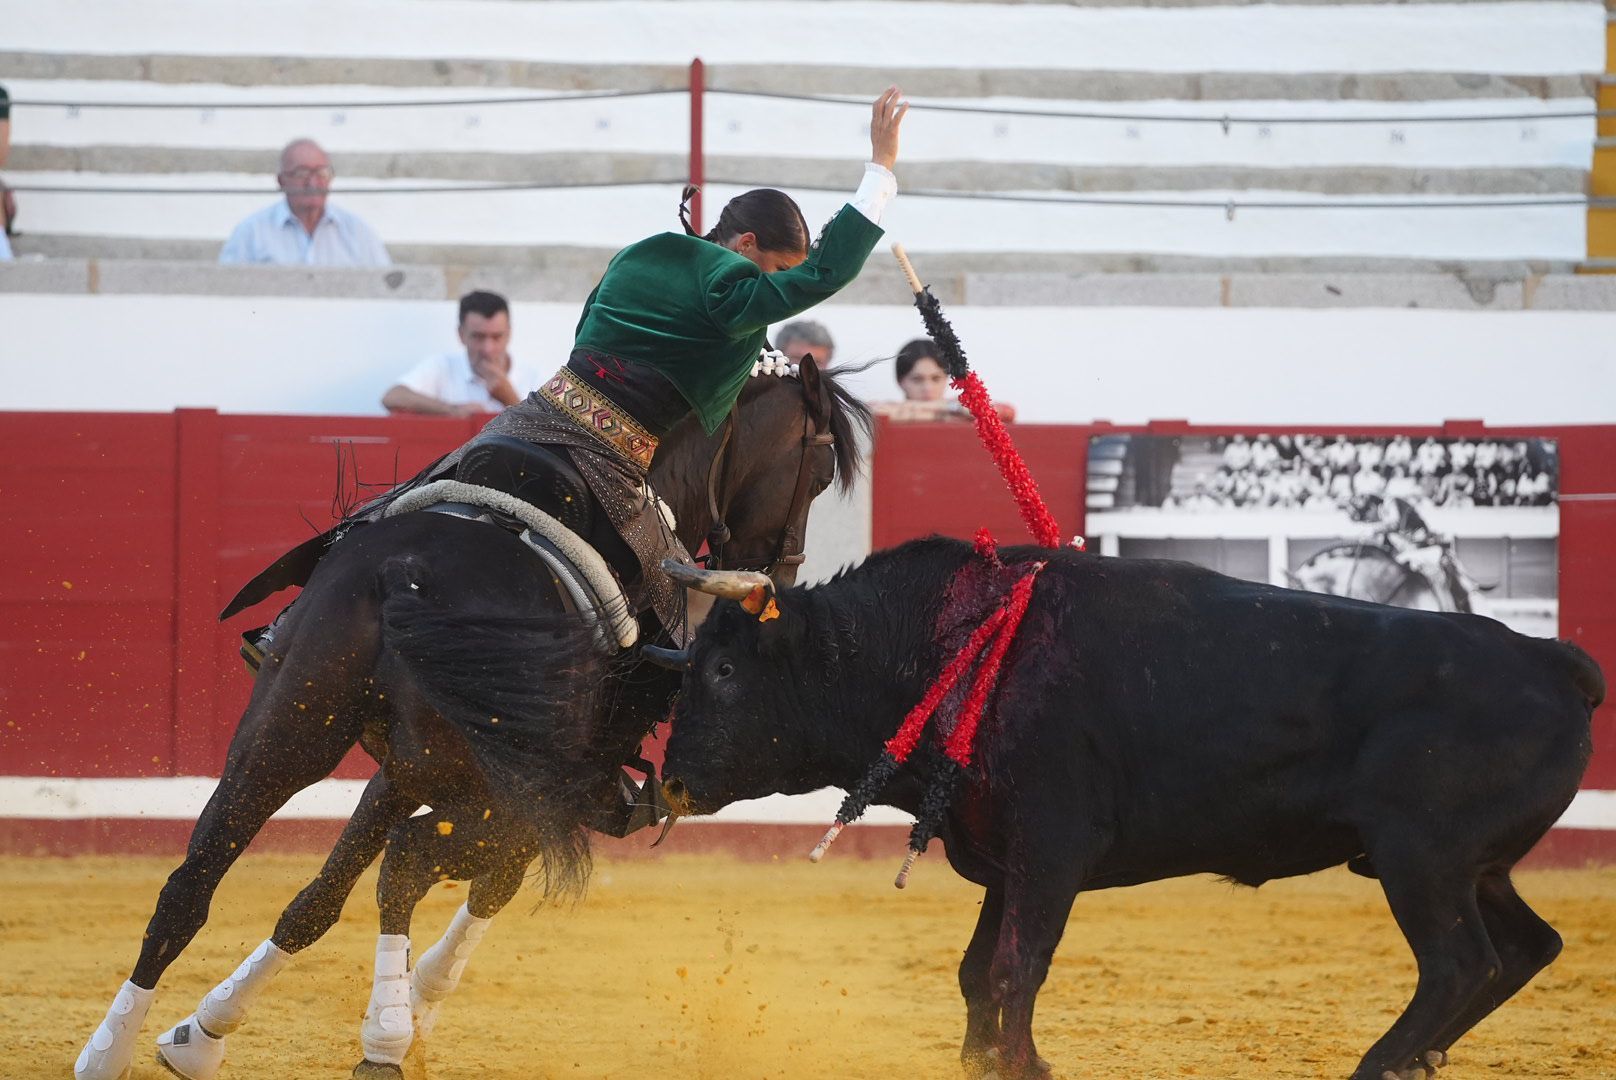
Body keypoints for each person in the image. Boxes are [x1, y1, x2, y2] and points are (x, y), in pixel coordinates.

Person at [236, 87, 910, 663]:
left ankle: (291, 627)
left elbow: (592, 326)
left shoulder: (644, 254)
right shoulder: (732, 284)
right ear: (744, 248)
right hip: (611, 455)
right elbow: (821, 277)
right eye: (778, 272)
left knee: (420, 491)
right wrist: (879, 170)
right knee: (664, 599)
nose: (780, 291)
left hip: (534, 416)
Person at [219, 138, 390, 267]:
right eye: (302, 173)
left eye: (321, 173)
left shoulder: (356, 232)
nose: (313, 183)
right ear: (281, 181)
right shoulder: (251, 233)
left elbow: (386, 287)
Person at [381, 291, 541, 416]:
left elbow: (546, 435)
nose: (488, 348)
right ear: (461, 334)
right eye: (478, 337)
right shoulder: (442, 367)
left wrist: (509, 398)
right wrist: (452, 410)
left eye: (496, 337)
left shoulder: (532, 378)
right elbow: (392, 396)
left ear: (509, 334)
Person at [873, 337, 1016, 422]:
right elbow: (871, 413)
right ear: (900, 381)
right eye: (917, 380)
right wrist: (945, 409)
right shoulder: (958, 412)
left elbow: (1008, 412)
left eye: (936, 379)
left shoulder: (960, 408)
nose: (927, 388)